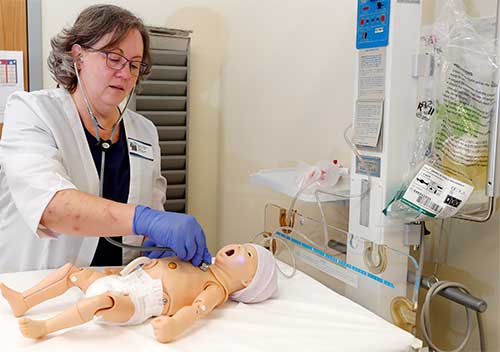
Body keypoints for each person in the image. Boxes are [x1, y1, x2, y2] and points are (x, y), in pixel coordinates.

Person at [0, 4, 212, 273]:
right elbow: (50, 206)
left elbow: (148, 218)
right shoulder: (32, 112)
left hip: (117, 289)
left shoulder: (144, 132)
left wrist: (158, 239)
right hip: (37, 289)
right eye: (114, 58)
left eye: (135, 64)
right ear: (79, 57)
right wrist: (145, 220)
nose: (125, 73)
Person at [0, 243, 279, 343]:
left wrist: (172, 326)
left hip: (137, 303)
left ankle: (44, 327)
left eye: (248, 255)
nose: (240, 248)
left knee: (99, 302)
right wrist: (116, 273)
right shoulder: (202, 264)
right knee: (73, 273)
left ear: (246, 283)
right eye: (244, 245)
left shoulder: (215, 289)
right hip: (127, 281)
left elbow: (196, 311)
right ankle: (23, 300)